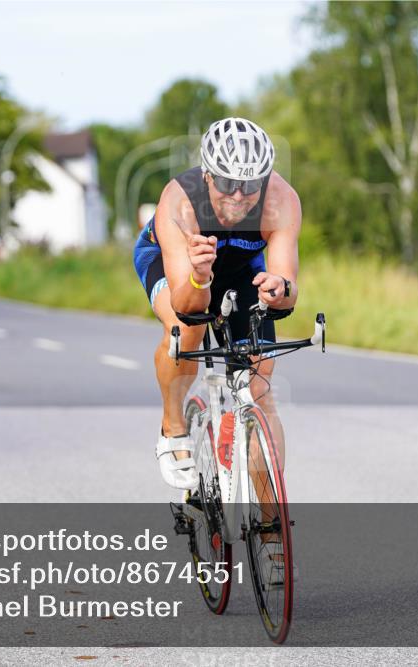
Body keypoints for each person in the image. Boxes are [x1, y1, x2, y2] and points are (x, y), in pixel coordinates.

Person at [132, 117, 302, 489]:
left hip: (241, 271)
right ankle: (173, 425)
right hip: (177, 266)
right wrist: (199, 275)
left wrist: (278, 288)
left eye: (250, 185)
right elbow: (187, 304)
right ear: (208, 175)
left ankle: (270, 530)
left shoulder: (282, 200)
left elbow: (289, 288)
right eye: (227, 183)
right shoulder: (180, 202)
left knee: (260, 385)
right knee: (187, 329)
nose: (238, 196)